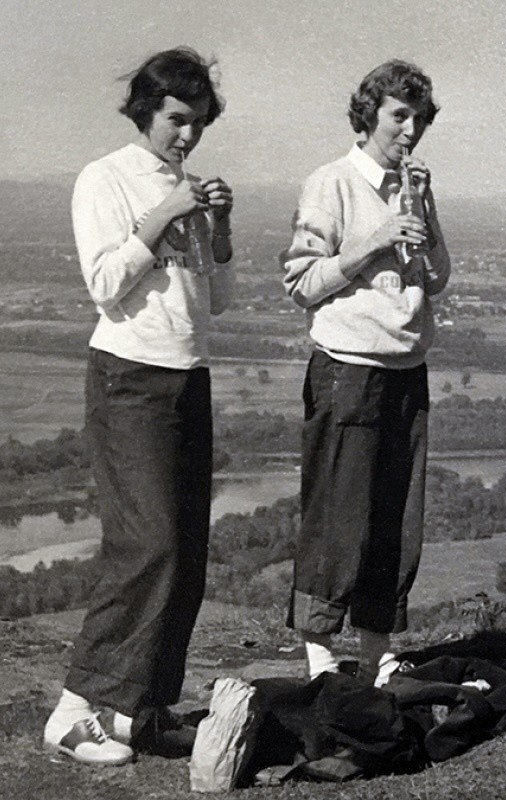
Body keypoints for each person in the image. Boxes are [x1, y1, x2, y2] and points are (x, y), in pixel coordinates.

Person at [43, 47, 235, 765]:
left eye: (198, 125)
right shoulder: (107, 178)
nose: (187, 137)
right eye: (178, 121)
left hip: (188, 373)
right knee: (147, 543)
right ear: (147, 110)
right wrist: (162, 215)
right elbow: (104, 283)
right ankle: (72, 709)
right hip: (130, 376)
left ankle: (134, 710)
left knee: (185, 552)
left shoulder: (181, 184)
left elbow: (216, 299)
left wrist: (217, 232)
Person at [281, 60, 450, 684]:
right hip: (347, 369)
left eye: (419, 118)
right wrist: (375, 240)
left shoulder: (414, 185)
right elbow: (301, 283)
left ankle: (377, 655)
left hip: (406, 366)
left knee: (395, 515)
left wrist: (424, 214)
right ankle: (322, 659)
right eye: (398, 116)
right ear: (369, 115)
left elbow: (436, 279)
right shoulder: (333, 183)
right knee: (337, 514)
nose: (410, 130)